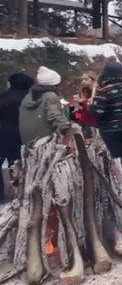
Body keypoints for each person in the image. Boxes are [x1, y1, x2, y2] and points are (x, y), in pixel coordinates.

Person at [89, 61, 122, 172]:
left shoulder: (105, 90)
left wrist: (90, 105)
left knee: (114, 156)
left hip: (111, 128)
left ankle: (118, 181)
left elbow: (97, 111)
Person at [0, 72, 33, 202]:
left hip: (2, 135)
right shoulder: (31, 99)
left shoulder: (3, 97)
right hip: (24, 137)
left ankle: (1, 197)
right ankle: (22, 194)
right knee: (20, 165)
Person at [19, 66, 70, 147]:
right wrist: (65, 129)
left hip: (28, 142)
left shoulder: (28, 96)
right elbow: (54, 116)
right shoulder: (50, 96)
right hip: (46, 142)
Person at [70, 71, 99, 138]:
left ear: (93, 80)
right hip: (87, 117)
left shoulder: (98, 90)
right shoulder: (84, 90)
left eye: (86, 79)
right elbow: (82, 106)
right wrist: (78, 102)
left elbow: (92, 103)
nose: (83, 81)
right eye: (82, 79)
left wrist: (83, 102)